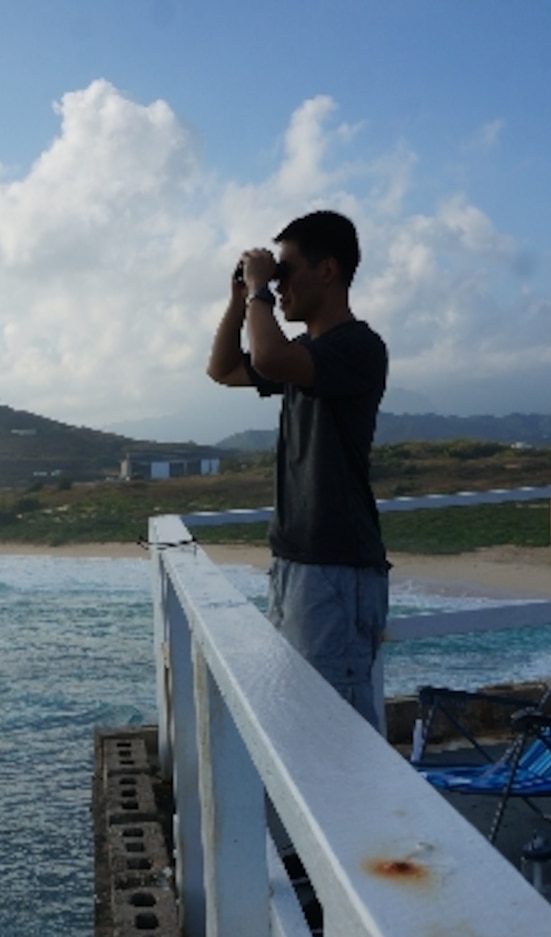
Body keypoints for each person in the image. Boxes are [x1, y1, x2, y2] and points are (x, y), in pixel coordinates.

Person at [206, 210, 390, 730]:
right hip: (299, 564)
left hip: (336, 568)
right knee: (303, 724)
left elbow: (266, 356)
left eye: (287, 271)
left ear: (327, 271)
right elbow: (222, 369)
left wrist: (260, 291)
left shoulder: (358, 347)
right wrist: (241, 297)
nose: (279, 285)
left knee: (339, 732)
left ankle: (368, 815)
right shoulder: (303, 353)